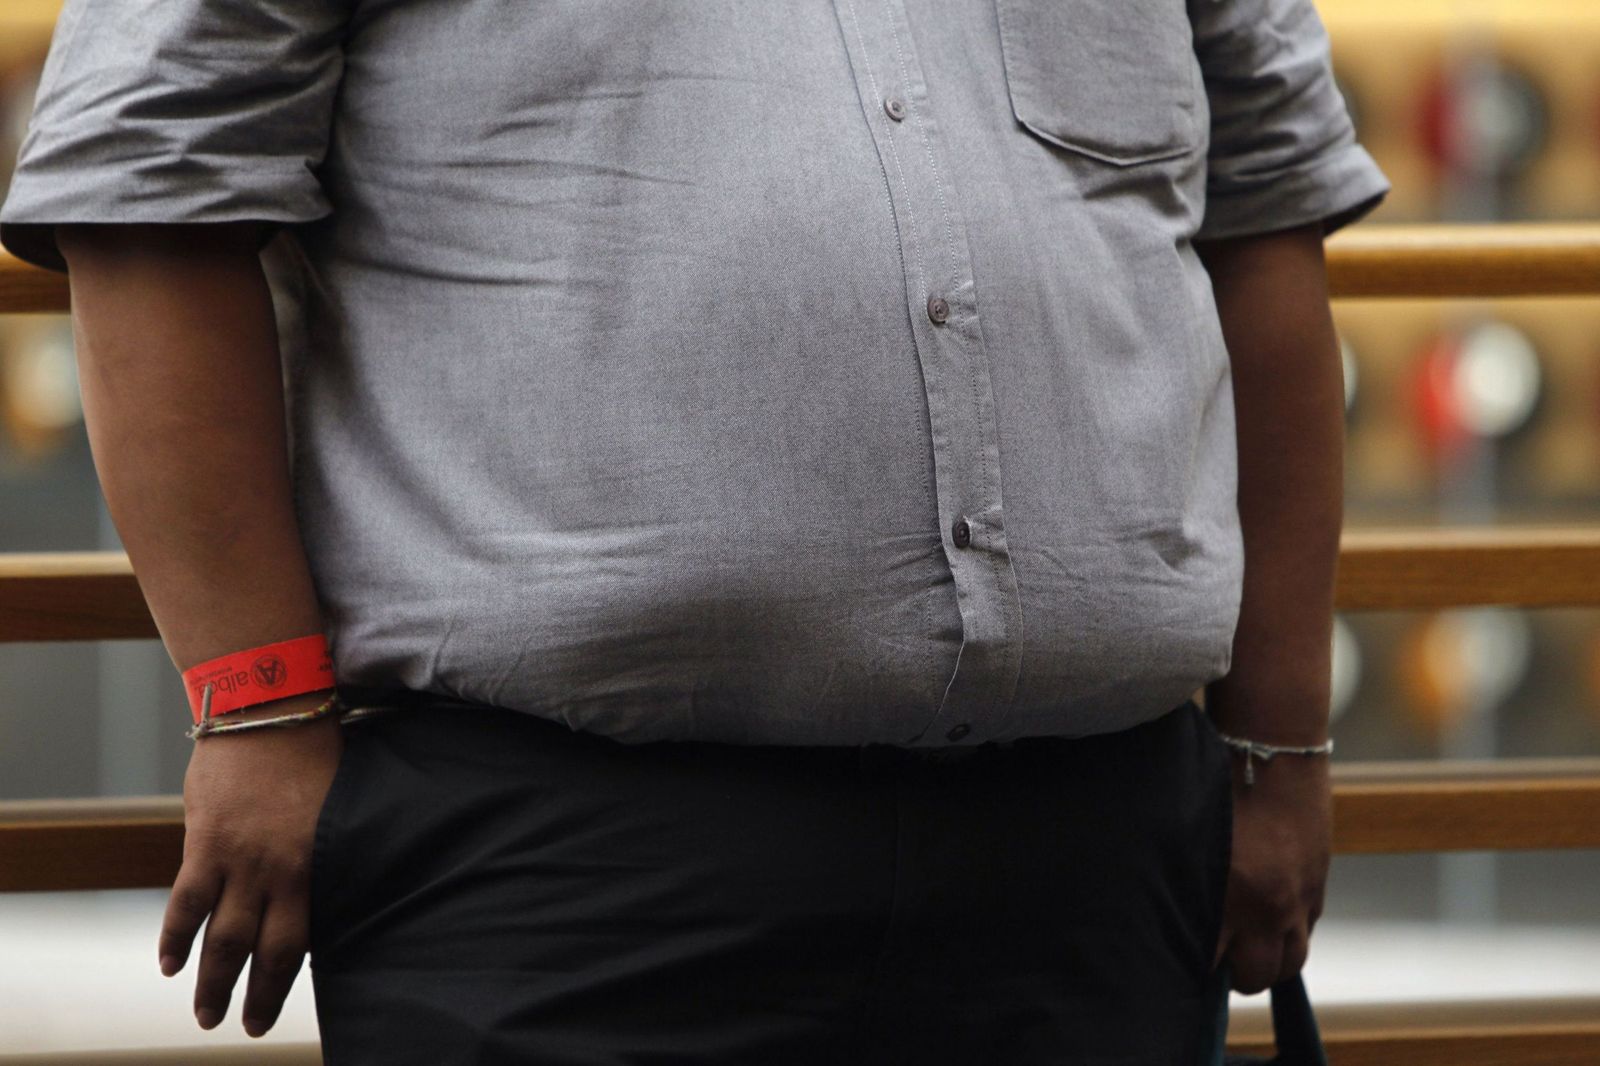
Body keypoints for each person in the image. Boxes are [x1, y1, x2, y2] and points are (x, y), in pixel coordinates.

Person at [0, 0, 1388, 1061]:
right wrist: (256, 706)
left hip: (1097, 850)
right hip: (566, 858)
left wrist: (1282, 747)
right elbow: (151, 196)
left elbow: (1263, 235)